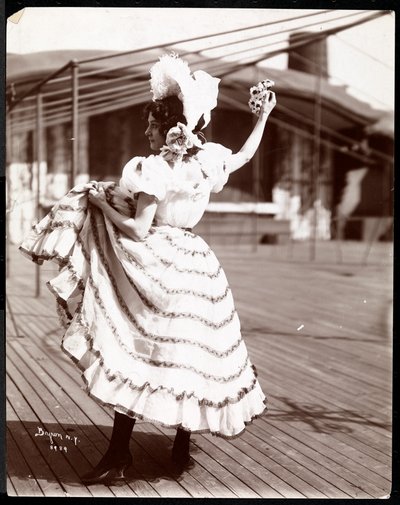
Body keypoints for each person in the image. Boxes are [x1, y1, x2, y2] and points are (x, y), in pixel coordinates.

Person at [19, 53, 276, 485]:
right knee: (187, 354)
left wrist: (100, 203)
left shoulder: (154, 167)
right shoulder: (208, 159)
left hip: (157, 261)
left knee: (138, 351)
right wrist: (263, 116)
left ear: (170, 128)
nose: (147, 132)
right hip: (198, 267)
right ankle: (179, 449)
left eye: (152, 126)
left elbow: (138, 230)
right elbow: (247, 154)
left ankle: (120, 455)